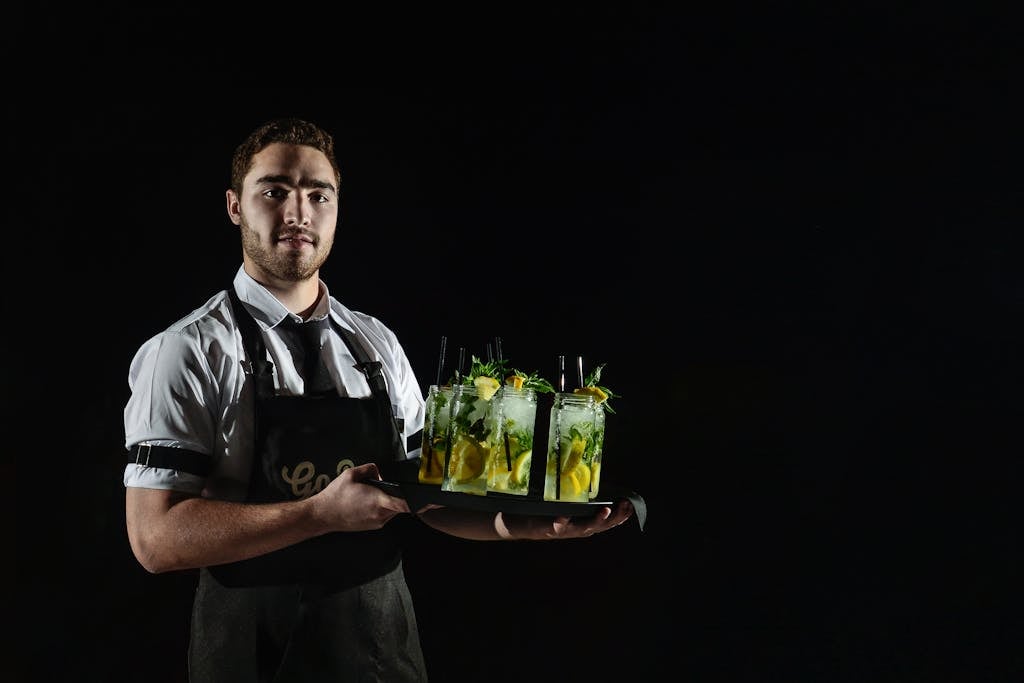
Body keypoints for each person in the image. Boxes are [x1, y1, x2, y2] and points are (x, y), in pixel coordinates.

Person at [122, 117, 633, 682]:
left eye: (319, 195)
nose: (298, 213)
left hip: (379, 652)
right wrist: (317, 514)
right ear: (234, 206)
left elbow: (429, 498)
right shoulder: (187, 349)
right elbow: (155, 540)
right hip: (250, 654)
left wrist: (526, 525)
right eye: (274, 191)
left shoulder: (376, 344)